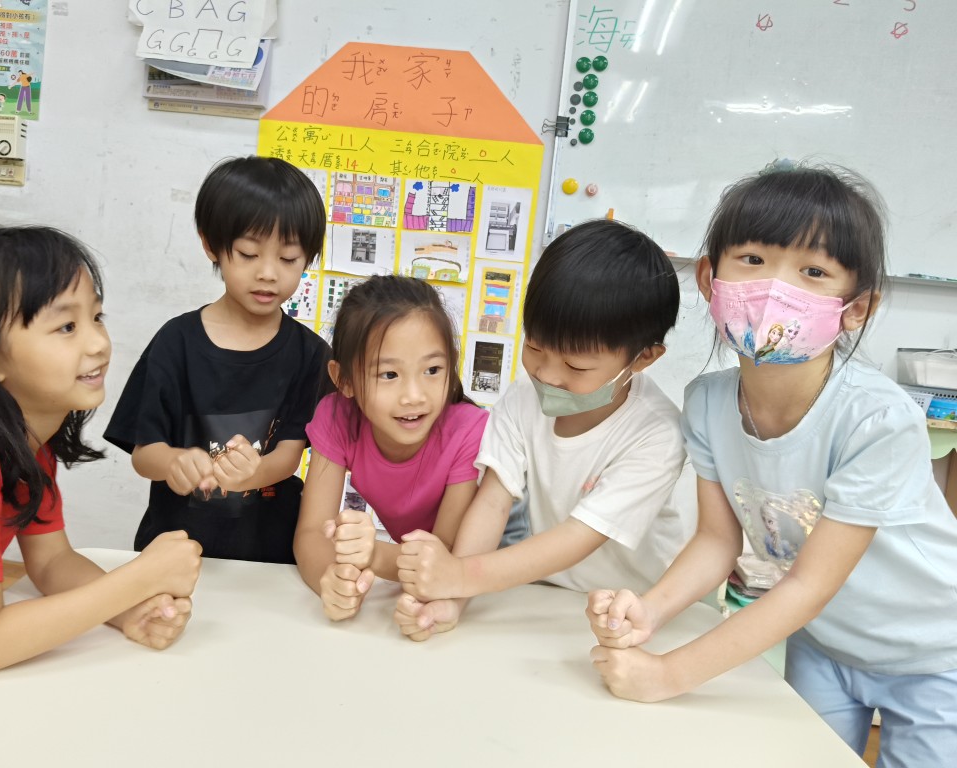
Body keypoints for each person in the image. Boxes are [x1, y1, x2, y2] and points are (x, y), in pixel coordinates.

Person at [586, 164, 957, 766]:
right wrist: (650, 611)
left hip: (933, 653)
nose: (774, 288)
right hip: (823, 640)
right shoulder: (707, 403)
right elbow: (717, 541)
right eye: (753, 259)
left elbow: (809, 583)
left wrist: (667, 675)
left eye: (813, 272)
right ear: (709, 278)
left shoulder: (879, 420)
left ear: (856, 308)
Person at [395, 219, 690, 641]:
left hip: (635, 609)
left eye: (576, 366)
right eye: (534, 347)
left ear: (644, 358)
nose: (547, 375)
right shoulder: (521, 399)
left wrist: (458, 576)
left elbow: (577, 537)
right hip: (548, 597)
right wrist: (453, 600)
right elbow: (492, 501)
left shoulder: (656, 435)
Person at [0, 226, 202, 672]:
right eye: (66, 327)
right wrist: (139, 579)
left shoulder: (26, 445)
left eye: (96, 317)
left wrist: (129, 610)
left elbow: (52, 561)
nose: (99, 343)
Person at [105, 156, 331, 563]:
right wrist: (175, 462)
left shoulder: (310, 354)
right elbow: (144, 453)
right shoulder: (176, 342)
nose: (268, 273)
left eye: (288, 259)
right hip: (175, 550)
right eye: (248, 254)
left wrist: (253, 473)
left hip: (271, 556)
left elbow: (288, 455)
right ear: (211, 245)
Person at [294, 275, 488, 620]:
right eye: (389, 375)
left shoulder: (469, 430)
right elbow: (311, 532)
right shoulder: (337, 416)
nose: (414, 396)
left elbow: (446, 556)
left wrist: (373, 555)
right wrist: (333, 580)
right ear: (344, 380)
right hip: (425, 581)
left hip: (494, 581)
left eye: (432, 369)